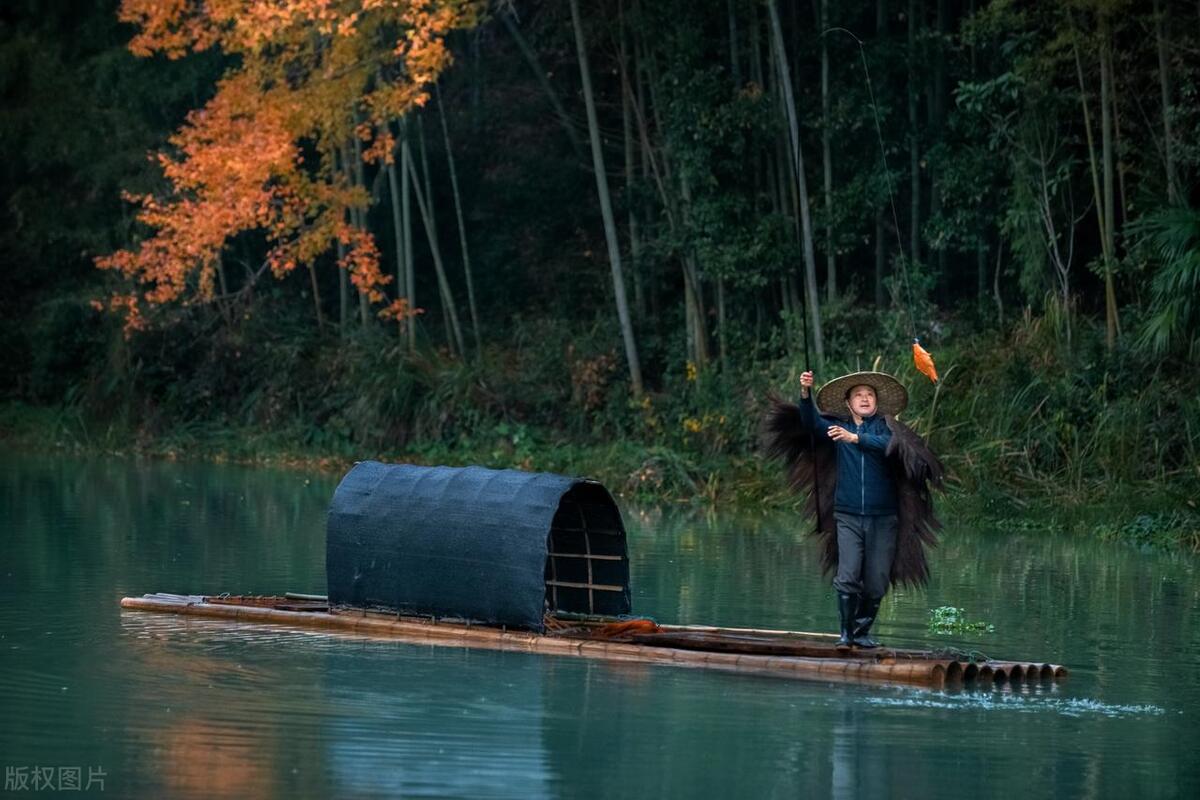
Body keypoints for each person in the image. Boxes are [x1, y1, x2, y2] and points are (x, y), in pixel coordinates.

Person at [762, 370, 944, 649]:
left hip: (884, 518)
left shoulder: (887, 429)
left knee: (877, 581)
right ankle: (846, 634)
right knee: (847, 576)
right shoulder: (835, 429)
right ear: (848, 403)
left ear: (876, 402)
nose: (865, 398)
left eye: (870, 395)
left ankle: (861, 632)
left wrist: (856, 439)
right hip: (847, 517)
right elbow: (810, 423)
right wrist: (805, 393)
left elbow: (891, 447)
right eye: (858, 395)